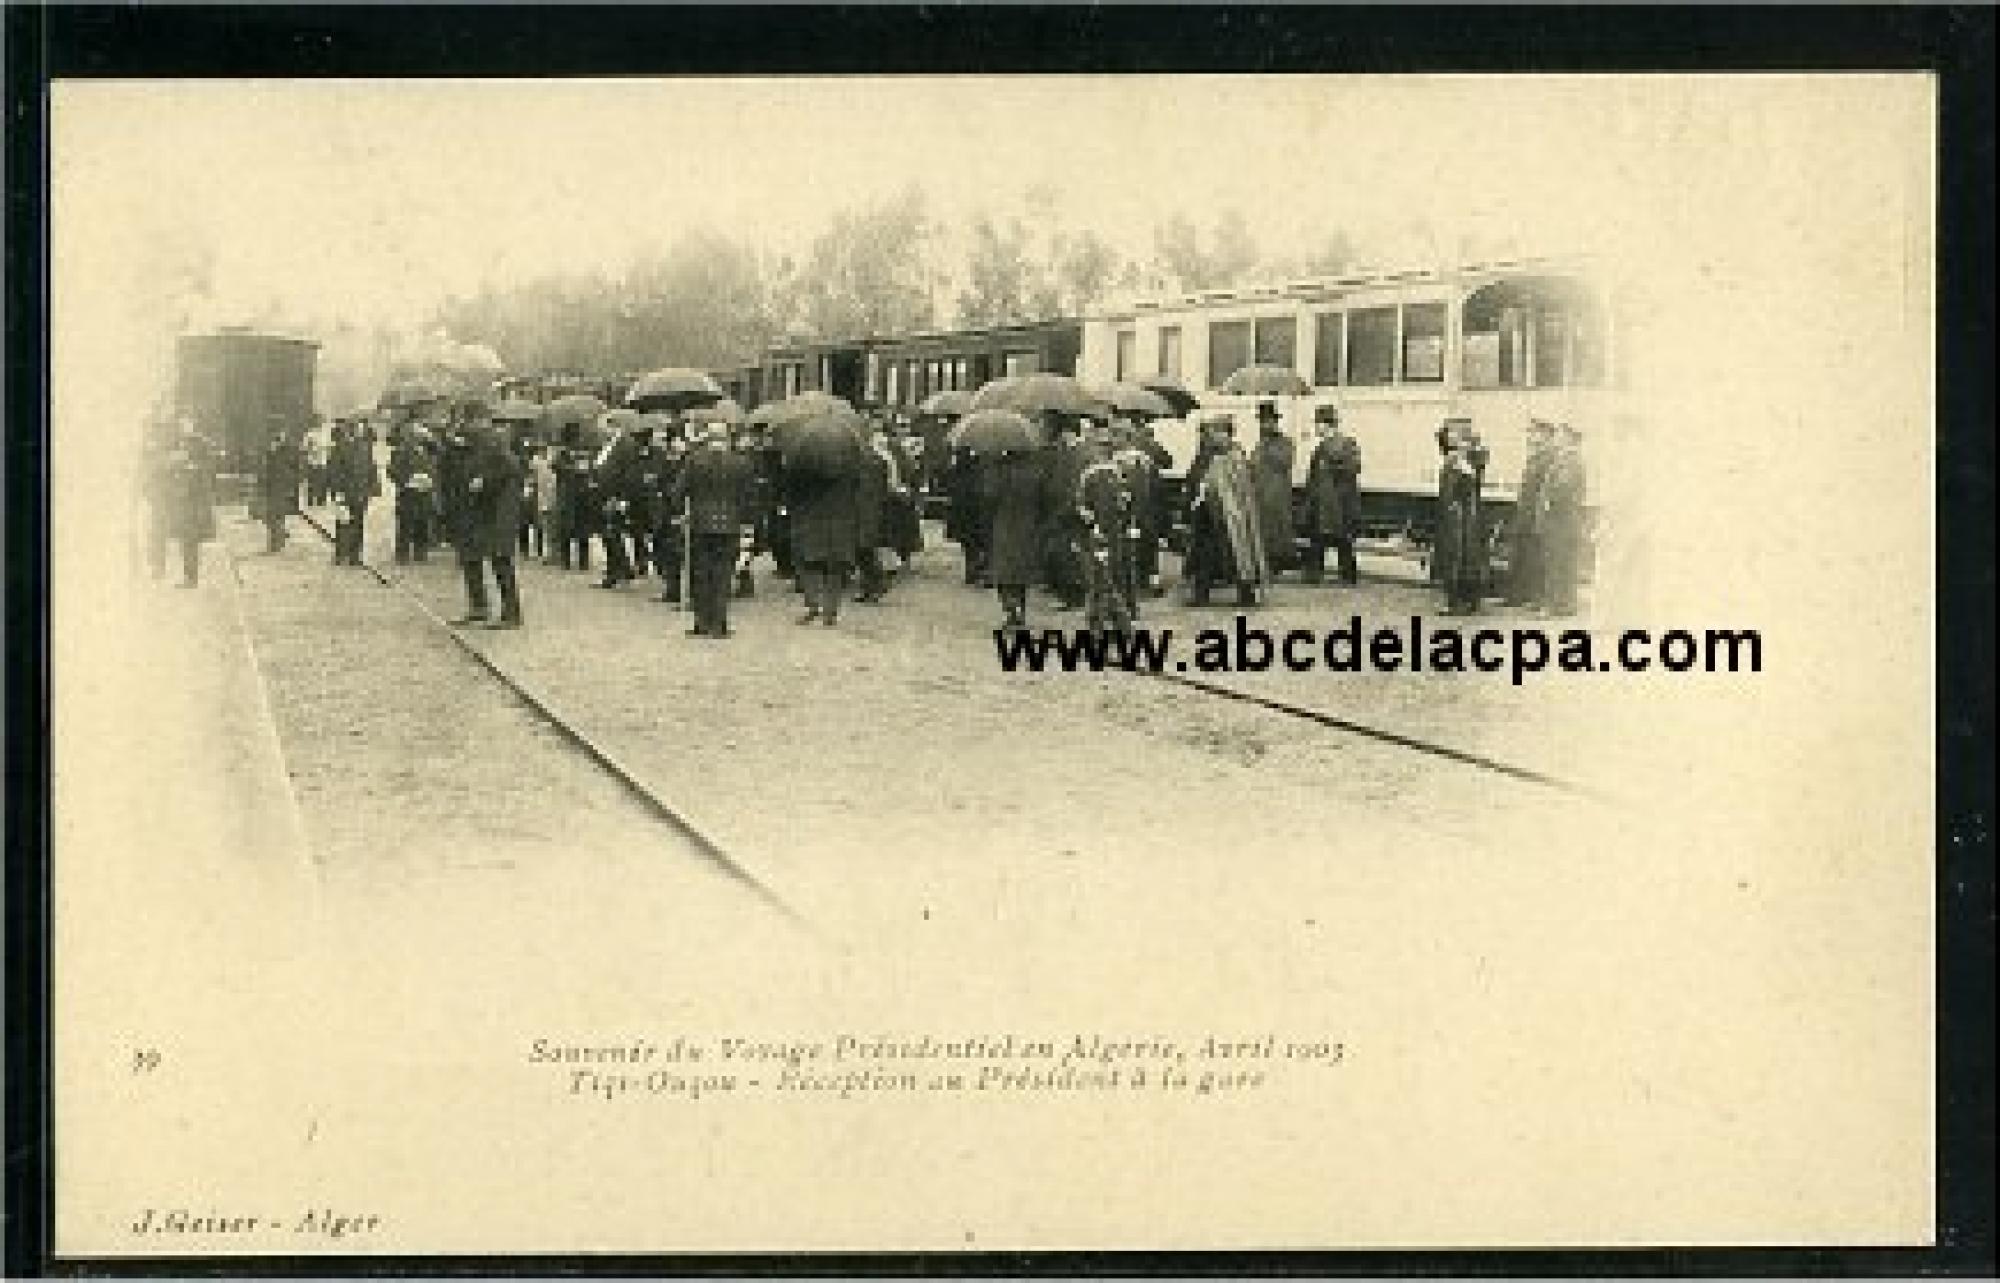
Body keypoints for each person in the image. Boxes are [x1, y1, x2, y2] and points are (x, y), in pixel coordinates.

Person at [669, 422, 755, 638]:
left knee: (700, 573)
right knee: (723, 574)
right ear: (726, 439)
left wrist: (681, 513)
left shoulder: (694, 461)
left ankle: (701, 622)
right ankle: (719, 623)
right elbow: (749, 497)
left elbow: (678, 491)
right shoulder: (741, 463)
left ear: (708, 438)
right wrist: (745, 521)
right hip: (729, 525)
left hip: (700, 524)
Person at [442, 405, 525, 628]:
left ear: (480, 420)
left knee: (500, 560)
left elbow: (512, 470)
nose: (466, 426)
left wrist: (485, 481)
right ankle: (478, 607)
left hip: (496, 513)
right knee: (470, 557)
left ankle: (512, 613)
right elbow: (454, 465)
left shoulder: (495, 442)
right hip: (474, 511)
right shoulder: (469, 442)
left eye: (469, 422)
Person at [1183, 414, 1269, 607]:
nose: (1214, 436)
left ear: (1227, 433)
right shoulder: (1212, 454)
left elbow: (1240, 487)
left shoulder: (1234, 456)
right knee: (1204, 553)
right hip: (1209, 512)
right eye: (1213, 432)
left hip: (1230, 514)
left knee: (1238, 553)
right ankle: (1201, 594)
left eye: (1218, 432)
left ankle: (1246, 594)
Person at [1075, 418, 1138, 635]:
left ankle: (1107, 625)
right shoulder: (1119, 474)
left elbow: (1083, 507)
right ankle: (1115, 622)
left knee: (1100, 580)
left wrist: (1091, 525)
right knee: (1110, 577)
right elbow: (1126, 504)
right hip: (1115, 532)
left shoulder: (1091, 476)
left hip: (1098, 533)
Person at [144, 417, 217, 587]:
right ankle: (170, 572)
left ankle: (191, 578)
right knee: (178, 536)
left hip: (195, 500)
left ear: (193, 426)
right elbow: (162, 467)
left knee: (190, 538)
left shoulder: (201, 443)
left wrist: (194, 467)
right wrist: (172, 465)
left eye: (187, 425)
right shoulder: (173, 443)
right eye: (181, 426)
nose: (184, 429)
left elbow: (210, 467)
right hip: (177, 500)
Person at [787, 458, 858, 627]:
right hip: (840, 522)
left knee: (808, 564)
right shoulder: (850, 467)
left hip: (811, 522)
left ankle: (813, 605)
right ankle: (830, 611)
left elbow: (794, 496)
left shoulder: (803, 469)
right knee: (835, 567)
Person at [985, 446, 1047, 632]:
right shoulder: (1037, 471)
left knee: (1003, 571)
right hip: (1028, 526)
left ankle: (1011, 610)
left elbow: (990, 495)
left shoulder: (1001, 470)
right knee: (1021, 571)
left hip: (1004, 524)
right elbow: (1045, 499)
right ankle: (1020, 610)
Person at [1432, 417, 1489, 615]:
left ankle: (1459, 602)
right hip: (1457, 517)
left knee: (1459, 559)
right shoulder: (1455, 458)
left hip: (1461, 519)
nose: (1451, 438)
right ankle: (1465, 601)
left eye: (1455, 434)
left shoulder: (1467, 460)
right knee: (1462, 559)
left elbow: (1468, 485)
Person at [1301, 404, 1363, 585]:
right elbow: (1312, 477)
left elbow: (1353, 469)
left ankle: (1346, 575)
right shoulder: (1321, 449)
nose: (1316, 428)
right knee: (1321, 538)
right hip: (1324, 502)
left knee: (1341, 539)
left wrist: (1332, 465)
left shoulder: (1346, 445)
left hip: (1339, 502)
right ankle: (1316, 574)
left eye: (1318, 424)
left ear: (1327, 425)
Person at [1538, 421, 1589, 616]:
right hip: (1563, 519)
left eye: (1560, 435)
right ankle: (1564, 605)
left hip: (1562, 520)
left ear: (1569, 438)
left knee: (1558, 561)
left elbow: (1563, 488)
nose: (1557, 438)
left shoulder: (1571, 461)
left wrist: (1548, 500)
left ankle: (1556, 605)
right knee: (1561, 561)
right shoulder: (1565, 460)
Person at [1505, 418, 1555, 606]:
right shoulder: (1535, 456)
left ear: (1545, 435)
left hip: (1534, 514)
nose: (1530, 436)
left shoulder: (1547, 458)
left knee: (1535, 557)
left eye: (1534, 433)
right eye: (1530, 433)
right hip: (1525, 512)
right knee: (1522, 554)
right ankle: (1518, 596)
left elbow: (1543, 489)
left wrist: (1537, 515)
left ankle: (1535, 597)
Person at [1041, 414, 1089, 610]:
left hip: (1070, 511)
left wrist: (1068, 507)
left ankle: (1075, 595)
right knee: (1060, 554)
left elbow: (1075, 484)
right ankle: (1068, 594)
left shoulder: (1079, 454)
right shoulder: (1064, 453)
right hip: (1060, 510)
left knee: (1069, 555)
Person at [1250, 401, 1297, 576]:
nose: (1264, 425)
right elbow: (1254, 465)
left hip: (1277, 494)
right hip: (1261, 493)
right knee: (1264, 530)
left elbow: (1285, 461)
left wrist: (1268, 448)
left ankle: (1279, 563)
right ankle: (1267, 563)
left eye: (1268, 421)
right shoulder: (1260, 444)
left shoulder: (1284, 442)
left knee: (1277, 530)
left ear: (1275, 423)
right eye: (1262, 422)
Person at [326, 417, 380, 566]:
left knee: (359, 522)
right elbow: (333, 471)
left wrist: (373, 487)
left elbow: (371, 467)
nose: (356, 431)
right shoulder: (338, 448)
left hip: (361, 491)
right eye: (353, 428)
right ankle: (341, 554)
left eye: (357, 429)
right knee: (343, 522)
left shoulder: (364, 447)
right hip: (345, 492)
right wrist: (336, 491)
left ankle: (355, 555)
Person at [852, 421, 894, 603]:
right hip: (872, 508)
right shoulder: (877, 460)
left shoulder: (863, 461)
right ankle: (871, 586)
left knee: (864, 548)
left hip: (863, 509)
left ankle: (876, 583)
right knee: (865, 548)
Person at [386, 423, 438, 564]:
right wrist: (407, 480)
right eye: (416, 436)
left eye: (421, 436)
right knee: (405, 523)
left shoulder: (427, 452)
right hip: (408, 493)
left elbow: (434, 469)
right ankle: (402, 554)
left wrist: (430, 480)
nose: (419, 439)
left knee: (422, 523)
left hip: (424, 493)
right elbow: (392, 471)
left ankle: (420, 553)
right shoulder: (400, 452)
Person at [552, 422, 596, 572]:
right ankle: (568, 561)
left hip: (577, 494)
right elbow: (557, 467)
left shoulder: (582, 451)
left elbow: (590, 468)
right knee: (569, 528)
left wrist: (580, 470)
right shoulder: (563, 452)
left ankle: (579, 561)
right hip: (571, 494)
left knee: (579, 528)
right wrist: (575, 470)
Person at [943, 442, 989, 586]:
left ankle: (971, 570)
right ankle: (975, 569)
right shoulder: (978, 468)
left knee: (969, 543)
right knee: (976, 540)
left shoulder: (955, 469)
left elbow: (949, 487)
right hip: (975, 508)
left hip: (962, 509)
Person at [256, 417, 303, 552]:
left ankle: (276, 541)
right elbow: (263, 467)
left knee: (277, 514)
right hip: (271, 485)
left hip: (284, 485)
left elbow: (298, 468)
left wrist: (294, 484)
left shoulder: (291, 448)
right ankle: (278, 536)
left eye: (280, 431)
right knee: (271, 515)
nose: (277, 435)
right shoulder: (268, 448)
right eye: (274, 432)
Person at [528, 441, 559, 562]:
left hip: (551, 498)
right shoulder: (538, 463)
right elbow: (533, 479)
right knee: (545, 526)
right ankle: (547, 553)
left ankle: (551, 553)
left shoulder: (549, 463)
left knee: (550, 527)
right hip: (543, 498)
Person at [302, 415, 332, 507]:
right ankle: (310, 500)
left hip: (322, 460)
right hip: (312, 461)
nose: (320, 423)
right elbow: (304, 447)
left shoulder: (324, 434)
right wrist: (311, 449)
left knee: (322, 481)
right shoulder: (309, 434)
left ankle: (321, 500)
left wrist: (326, 451)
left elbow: (329, 446)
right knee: (312, 482)